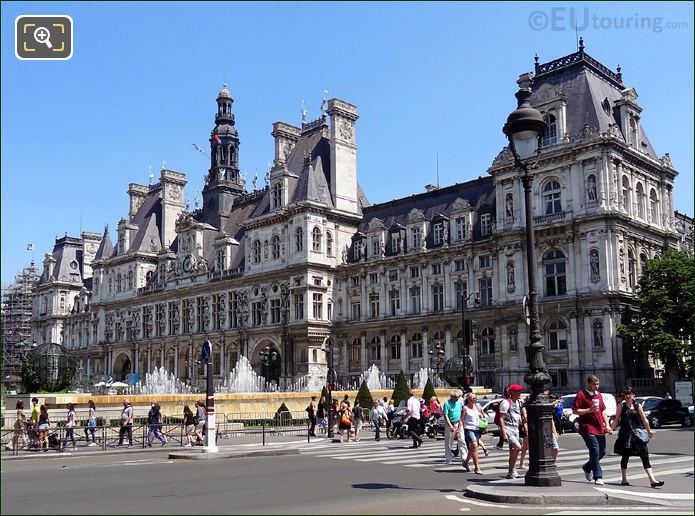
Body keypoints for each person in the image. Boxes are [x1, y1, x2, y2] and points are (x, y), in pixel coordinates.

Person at [612, 388, 664, 488]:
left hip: (638, 435)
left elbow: (644, 419)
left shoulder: (637, 406)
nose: (627, 396)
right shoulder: (621, 406)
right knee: (625, 456)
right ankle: (624, 478)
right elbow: (616, 420)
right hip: (626, 435)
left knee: (644, 455)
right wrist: (611, 429)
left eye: (629, 394)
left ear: (633, 395)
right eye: (626, 394)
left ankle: (652, 480)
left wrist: (649, 431)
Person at [573, 375, 613, 485]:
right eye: (594, 384)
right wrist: (589, 410)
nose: (596, 386)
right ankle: (598, 476)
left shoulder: (598, 395)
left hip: (599, 427)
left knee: (602, 452)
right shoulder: (581, 394)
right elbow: (575, 411)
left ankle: (587, 467)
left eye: (597, 384)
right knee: (595, 451)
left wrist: (607, 425)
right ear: (588, 383)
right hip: (587, 427)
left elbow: (603, 411)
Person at [499, 383, 524, 479]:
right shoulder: (506, 403)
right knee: (518, 447)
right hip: (507, 428)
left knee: (514, 451)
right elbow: (501, 418)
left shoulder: (518, 402)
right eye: (518, 391)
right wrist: (504, 434)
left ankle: (511, 471)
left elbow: (518, 416)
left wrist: (523, 425)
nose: (520, 393)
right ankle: (512, 470)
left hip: (515, 428)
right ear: (512, 392)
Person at [461, 392, 485, 474]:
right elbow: (462, 420)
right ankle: (477, 467)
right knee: (474, 445)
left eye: (475, 398)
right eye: (472, 398)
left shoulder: (477, 407)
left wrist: (482, 416)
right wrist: (458, 430)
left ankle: (466, 462)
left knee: (474, 448)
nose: (474, 399)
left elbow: (482, 416)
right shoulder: (465, 408)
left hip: (477, 429)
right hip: (468, 429)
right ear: (468, 399)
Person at [443, 390, 466, 464]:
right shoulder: (447, 403)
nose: (457, 398)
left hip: (458, 423)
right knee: (449, 442)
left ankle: (464, 457)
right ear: (452, 397)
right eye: (456, 397)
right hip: (450, 424)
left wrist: (461, 422)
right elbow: (445, 415)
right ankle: (448, 458)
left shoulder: (459, 403)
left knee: (462, 440)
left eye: (458, 397)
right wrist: (450, 425)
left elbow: (462, 412)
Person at [517, 398, 529, 469]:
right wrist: (526, 427)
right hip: (526, 428)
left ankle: (522, 463)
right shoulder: (523, 409)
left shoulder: (520, 409)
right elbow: (525, 419)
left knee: (525, 446)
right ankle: (522, 463)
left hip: (525, 427)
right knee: (526, 446)